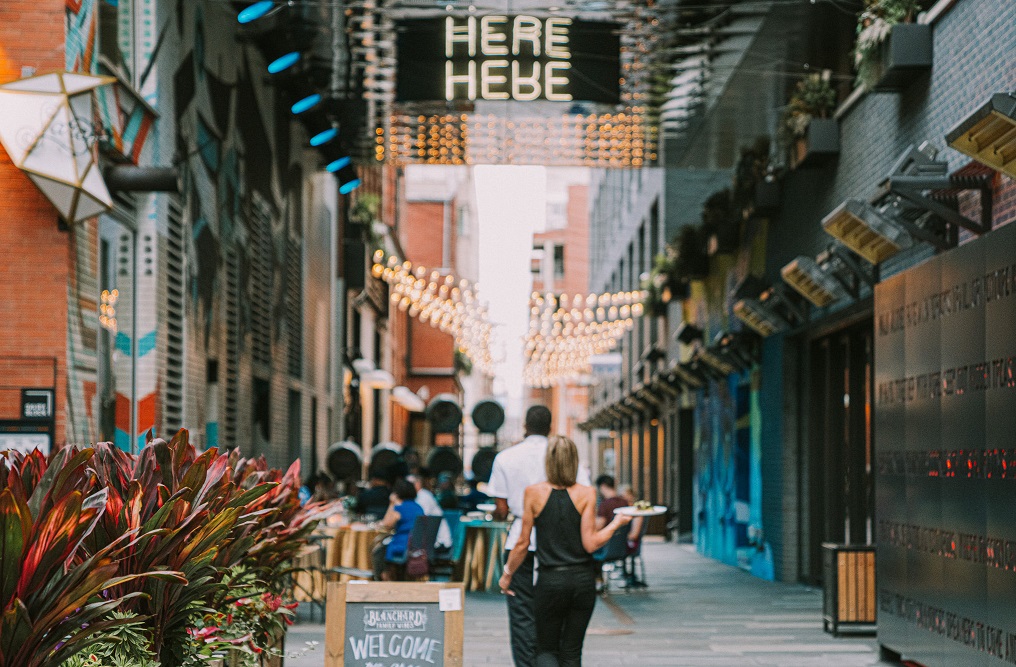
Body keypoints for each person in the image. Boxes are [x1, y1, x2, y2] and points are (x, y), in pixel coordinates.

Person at [498, 436, 632, 667]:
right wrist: (616, 524)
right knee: (571, 651)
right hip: (582, 581)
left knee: (546, 649)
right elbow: (590, 544)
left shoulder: (533, 493)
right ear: (574, 461)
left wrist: (508, 574)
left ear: (548, 462)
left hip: (550, 580)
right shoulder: (587, 493)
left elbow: (522, 543)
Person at [487, 405, 591, 667]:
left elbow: (501, 508)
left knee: (522, 614)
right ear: (551, 425)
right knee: (559, 620)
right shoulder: (565, 456)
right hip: (562, 547)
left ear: (525, 425)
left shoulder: (505, 458)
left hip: (521, 543)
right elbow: (583, 497)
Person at [371, 478, 425, 581]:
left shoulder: (400, 508)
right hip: (417, 546)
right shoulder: (419, 507)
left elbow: (386, 524)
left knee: (378, 550)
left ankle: (381, 579)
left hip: (402, 545)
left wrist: (392, 503)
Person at [407, 472, 452, 551]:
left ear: (417, 484)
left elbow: (419, 521)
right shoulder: (419, 496)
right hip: (429, 540)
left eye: (408, 485)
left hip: (438, 542)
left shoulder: (423, 497)